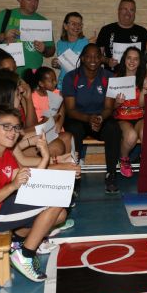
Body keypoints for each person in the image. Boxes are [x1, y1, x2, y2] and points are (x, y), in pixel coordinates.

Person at [0, 104, 67, 281]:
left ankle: (17, 240)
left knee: (60, 214)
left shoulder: (6, 153)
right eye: (6, 127)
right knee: (55, 200)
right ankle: (26, 255)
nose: (13, 132)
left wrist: (45, 156)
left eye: (16, 127)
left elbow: (31, 184)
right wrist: (12, 186)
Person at [62, 44, 122, 194]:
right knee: (73, 131)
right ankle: (73, 176)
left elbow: (109, 107)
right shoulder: (71, 77)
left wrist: (100, 118)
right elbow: (70, 110)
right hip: (79, 118)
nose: (93, 59)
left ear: (101, 59)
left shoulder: (108, 77)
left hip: (101, 117)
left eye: (97, 56)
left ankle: (111, 174)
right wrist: (88, 118)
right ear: (82, 58)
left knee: (114, 129)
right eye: (88, 56)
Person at [0, 0, 55, 75]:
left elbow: (51, 50)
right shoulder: (6, 15)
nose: (33, 3)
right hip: (6, 72)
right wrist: (3, 36)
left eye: (36, 0)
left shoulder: (43, 21)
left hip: (32, 74)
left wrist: (44, 50)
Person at [110, 47, 147, 177]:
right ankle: (124, 159)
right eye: (129, 58)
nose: (132, 61)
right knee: (131, 136)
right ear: (124, 60)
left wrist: (144, 89)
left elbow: (142, 105)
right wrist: (117, 101)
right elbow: (111, 107)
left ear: (140, 62)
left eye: (136, 59)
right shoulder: (116, 78)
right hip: (122, 117)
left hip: (139, 116)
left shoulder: (144, 78)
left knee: (146, 132)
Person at [96, 0, 147, 71]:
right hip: (112, 75)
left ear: (134, 13)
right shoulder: (106, 30)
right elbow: (98, 55)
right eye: (125, 9)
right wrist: (107, 61)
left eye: (131, 10)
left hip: (136, 76)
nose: (128, 13)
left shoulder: (142, 32)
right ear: (118, 11)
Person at [52, 12, 91, 89]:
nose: (77, 27)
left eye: (79, 24)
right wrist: (57, 64)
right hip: (62, 84)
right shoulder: (60, 43)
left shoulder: (86, 42)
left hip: (79, 85)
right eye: (73, 24)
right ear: (65, 26)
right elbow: (65, 66)